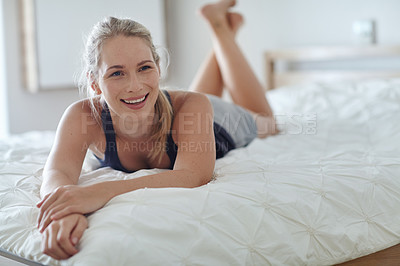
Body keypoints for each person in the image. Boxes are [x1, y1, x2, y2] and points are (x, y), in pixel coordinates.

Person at [36, 0, 277, 260]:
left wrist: (100, 191)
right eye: (117, 74)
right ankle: (221, 26)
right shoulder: (82, 115)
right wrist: (66, 211)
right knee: (199, 97)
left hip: (216, 121)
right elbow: (57, 172)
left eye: (144, 68)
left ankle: (222, 29)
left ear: (158, 68)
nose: (135, 85)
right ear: (94, 83)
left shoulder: (194, 104)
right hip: (183, 111)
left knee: (268, 122)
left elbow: (192, 175)